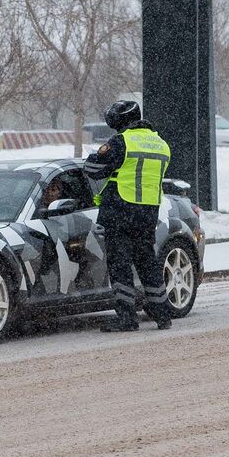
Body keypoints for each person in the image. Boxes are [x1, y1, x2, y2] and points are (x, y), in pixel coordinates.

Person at [83, 100, 172, 331]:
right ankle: (163, 314)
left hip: (120, 211)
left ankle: (126, 318)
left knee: (120, 266)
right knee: (147, 263)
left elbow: (94, 170)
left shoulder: (122, 141)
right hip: (148, 213)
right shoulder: (161, 143)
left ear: (120, 120)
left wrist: (94, 158)